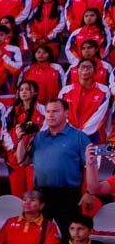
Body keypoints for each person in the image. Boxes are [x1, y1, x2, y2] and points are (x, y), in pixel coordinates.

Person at [14, 97, 91, 235]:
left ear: (66, 113)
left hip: (68, 195)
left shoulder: (79, 137)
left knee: (70, 235)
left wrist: (89, 192)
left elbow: (91, 166)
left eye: (55, 111)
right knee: (38, 235)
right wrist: (20, 139)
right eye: (48, 111)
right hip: (41, 194)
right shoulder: (38, 137)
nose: (50, 115)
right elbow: (22, 162)